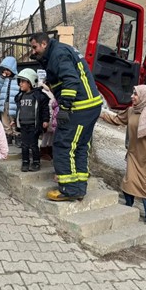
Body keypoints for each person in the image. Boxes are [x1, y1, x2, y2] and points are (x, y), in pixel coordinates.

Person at [29, 32, 103, 201]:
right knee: (80, 146)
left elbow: (71, 80)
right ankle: (79, 187)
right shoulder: (59, 51)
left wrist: (65, 107)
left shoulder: (58, 54)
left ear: (44, 44)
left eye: (34, 47)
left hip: (80, 107)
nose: (33, 51)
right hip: (90, 106)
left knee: (63, 144)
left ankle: (69, 189)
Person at [100, 85, 146, 227]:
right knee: (129, 181)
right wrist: (101, 113)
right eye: (133, 93)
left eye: (135, 94)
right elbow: (117, 119)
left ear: (144, 97)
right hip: (134, 155)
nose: (132, 96)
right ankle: (127, 207)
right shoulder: (131, 111)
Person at [13, 68, 50, 172]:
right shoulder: (20, 96)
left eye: (23, 81)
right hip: (23, 124)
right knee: (24, 144)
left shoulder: (38, 95)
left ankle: (36, 162)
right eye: (19, 81)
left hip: (34, 125)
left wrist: (45, 120)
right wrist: (15, 120)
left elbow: (44, 109)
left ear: (30, 82)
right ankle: (25, 162)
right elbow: (18, 110)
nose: (20, 84)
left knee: (33, 144)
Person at [0, 56, 20, 145]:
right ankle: (8, 136)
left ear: (12, 69)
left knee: (14, 120)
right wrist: (1, 77)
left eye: (8, 70)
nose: (6, 72)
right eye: (4, 70)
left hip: (14, 103)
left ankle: (16, 136)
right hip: (4, 102)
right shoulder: (3, 78)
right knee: (5, 120)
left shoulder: (18, 79)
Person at [39, 81, 58, 161]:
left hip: (52, 117)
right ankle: (44, 150)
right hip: (49, 117)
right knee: (46, 134)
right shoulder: (45, 92)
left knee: (51, 134)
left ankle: (49, 149)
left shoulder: (50, 92)